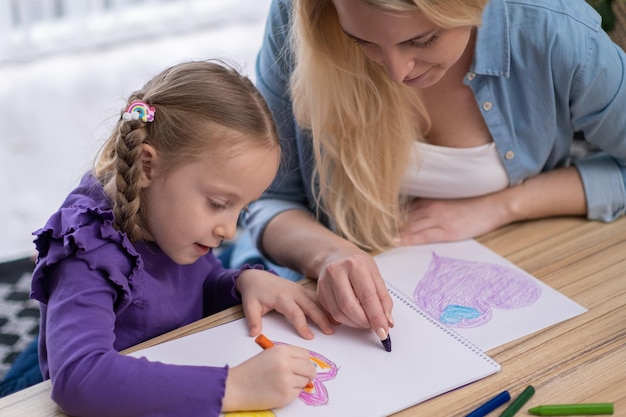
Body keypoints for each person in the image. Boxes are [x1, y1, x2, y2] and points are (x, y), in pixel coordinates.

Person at [228, 0, 626, 344]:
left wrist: (503, 206)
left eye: (422, 40)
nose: (397, 74)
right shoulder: (301, 16)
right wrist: (327, 253)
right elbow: (266, 197)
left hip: (539, 269)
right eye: (361, 42)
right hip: (317, 299)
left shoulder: (552, 28)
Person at [28, 60, 334, 417]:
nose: (230, 231)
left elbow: (193, 291)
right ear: (146, 166)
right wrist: (234, 387)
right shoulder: (87, 251)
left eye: (243, 210)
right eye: (218, 204)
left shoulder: (174, 224)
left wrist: (241, 282)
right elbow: (79, 379)